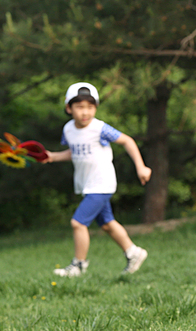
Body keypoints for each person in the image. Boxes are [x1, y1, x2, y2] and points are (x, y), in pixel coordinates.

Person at [44, 82, 152, 277]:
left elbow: (127, 141)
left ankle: (78, 266)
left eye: (90, 107)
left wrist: (141, 166)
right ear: (68, 108)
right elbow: (75, 152)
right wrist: (52, 156)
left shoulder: (100, 128)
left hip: (102, 183)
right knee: (107, 223)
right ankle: (134, 253)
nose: (85, 112)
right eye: (79, 107)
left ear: (96, 108)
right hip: (86, 184)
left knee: (78, 223)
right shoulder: (68, 130)